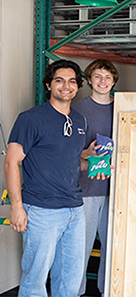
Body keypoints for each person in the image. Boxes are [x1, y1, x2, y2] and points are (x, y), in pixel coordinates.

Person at [4, 59, 88, 297]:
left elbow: (72, 162)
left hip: (74, 210)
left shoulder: (80, 120)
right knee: (35, 279)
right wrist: (17, 207)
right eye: (59, 80)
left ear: (78, 85)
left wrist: (94, 165)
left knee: (70, 280)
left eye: (72, 81)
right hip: (42, 210)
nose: (66, 86)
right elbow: (11, 161)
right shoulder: (31, 118)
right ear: (49, 85)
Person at [73, 59, 119, 297]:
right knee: (82, 246)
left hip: (116, 190)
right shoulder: (78, 110)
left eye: (108, 78)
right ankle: (76, 292)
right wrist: (87, 153)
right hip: (88, 190)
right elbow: (68, 151)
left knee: (113, 246)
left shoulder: (123, 108)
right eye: (98, 77)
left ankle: (108, 290)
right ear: (89, 80)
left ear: (113, 82)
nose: (103, 82)